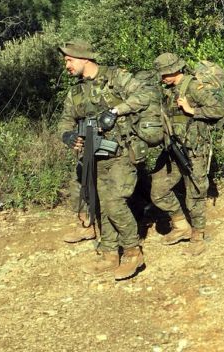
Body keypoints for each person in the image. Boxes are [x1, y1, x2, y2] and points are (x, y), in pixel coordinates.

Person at [57, 40, 153, 280]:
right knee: (100, 203)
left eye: (69, 60)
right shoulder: (76, 92)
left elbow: (146, 94)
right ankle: (109, 253)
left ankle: (133, 252)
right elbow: (65, 121)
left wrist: (116, 111)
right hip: (94, 155)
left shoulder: (115, 76)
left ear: (83, 59)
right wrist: (68, 136)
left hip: (122, 152)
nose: (66, 65)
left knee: (114, 202)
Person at [150, 53, 224, 256]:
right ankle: (181, 226)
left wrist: (192, 110)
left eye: (164, 73)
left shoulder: (193, 86)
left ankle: (198, 236)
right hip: (173, 149)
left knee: (195, 193)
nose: (162, 78)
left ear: (175, 70)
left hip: (194, 150)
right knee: (159, 191)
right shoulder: (169, 90)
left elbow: (219, 110)